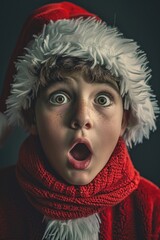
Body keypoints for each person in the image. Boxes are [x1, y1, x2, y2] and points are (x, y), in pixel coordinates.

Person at [0, 2, 159, 239]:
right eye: (60, 97)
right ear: (31, 116)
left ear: (124, 120)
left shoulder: (152, 209)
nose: (82, 117)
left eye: (103, 99)